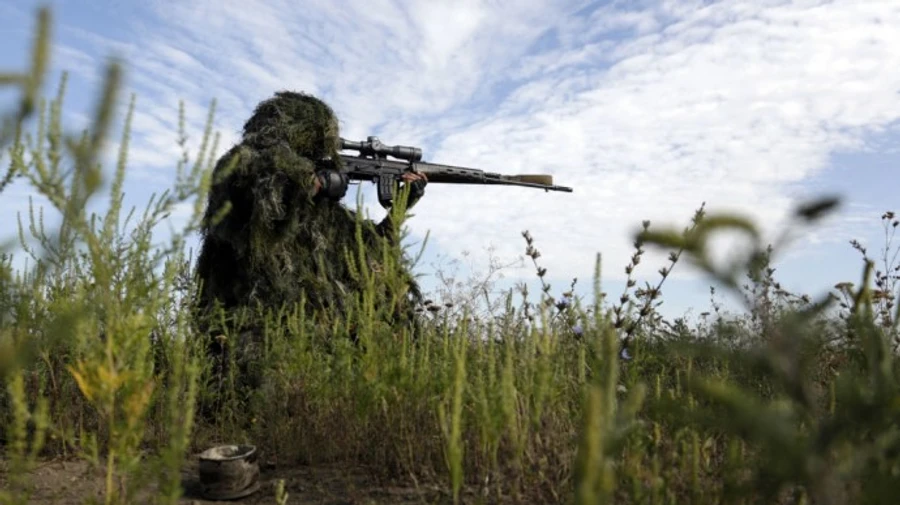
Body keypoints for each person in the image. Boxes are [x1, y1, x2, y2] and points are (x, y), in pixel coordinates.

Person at [192, 91, 427, 399]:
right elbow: (267, 177)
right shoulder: (243, 165)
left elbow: (368, 255)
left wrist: (398, 210)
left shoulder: (321, 214)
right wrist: (313, 182)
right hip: (246, 340)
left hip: (305, 349)